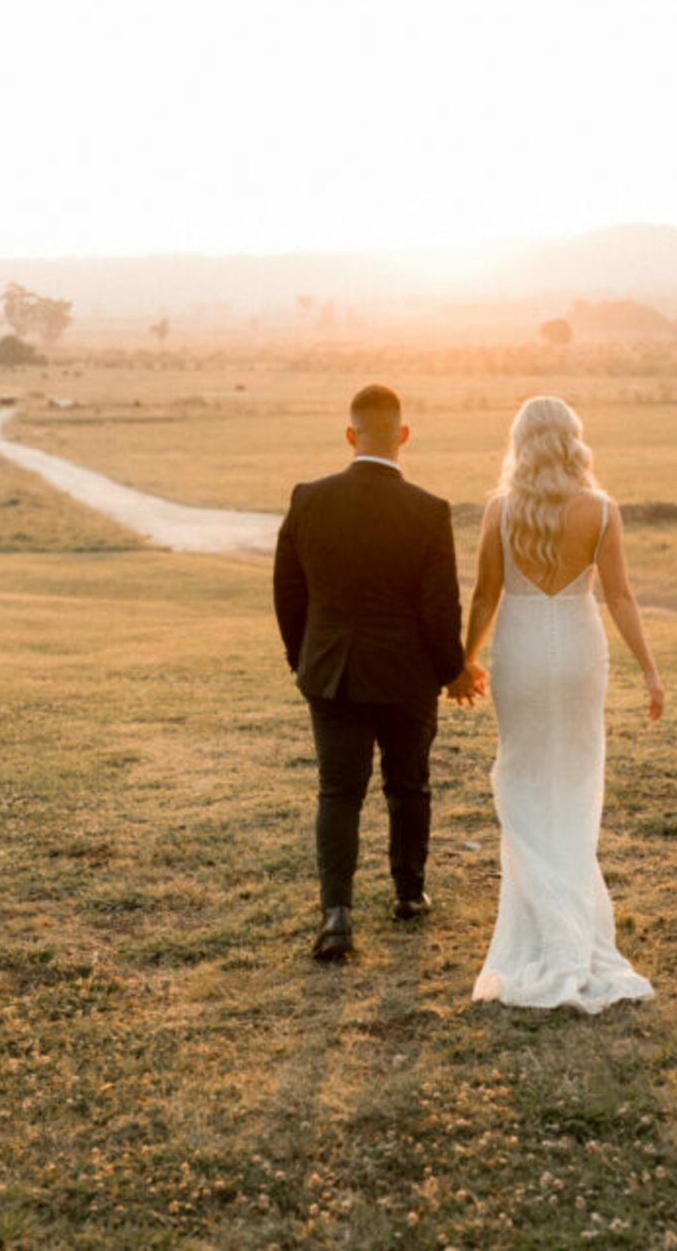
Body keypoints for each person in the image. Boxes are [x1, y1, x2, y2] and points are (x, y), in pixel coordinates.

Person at [459, 396, 664, 1012]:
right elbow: (621, 597)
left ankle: (542, 924)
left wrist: (463, 661)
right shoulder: (601, 512)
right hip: (578, 650)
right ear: (572, 441)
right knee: (575, 782)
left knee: (521, 777)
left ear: (521, 442)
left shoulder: (500, 510)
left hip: (520, 650)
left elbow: (485, 597)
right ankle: (572, 918)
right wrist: (650, 671)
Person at [273, 384, 474, 961]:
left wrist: (305, 660)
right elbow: (440, 609)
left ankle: (336, 915)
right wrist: (452, 670)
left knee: (338, 791)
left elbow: (288, 592)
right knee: (408, 785)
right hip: (407, 677)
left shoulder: (308, 498)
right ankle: (409, 896)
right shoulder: (428, 511)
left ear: (350, 434)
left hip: (330, 673)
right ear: (403, 435)